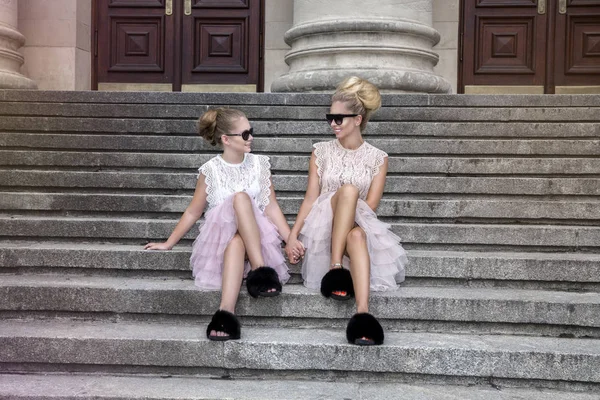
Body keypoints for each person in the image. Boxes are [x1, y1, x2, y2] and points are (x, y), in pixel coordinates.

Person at [145, 108, 291, 342]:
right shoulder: (210, 170)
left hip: (257, 239)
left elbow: (270, 206)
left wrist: (290, 238)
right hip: (221, 243)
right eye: (245, 134)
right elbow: (194, 211)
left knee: (241, 216)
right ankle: (255, 277)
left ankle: (226, 313)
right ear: (226, 139)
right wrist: (169, 243)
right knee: (239, 208)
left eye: (251, 132)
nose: (251, 137)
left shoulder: (260, 164)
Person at [285, 76, 408, 346]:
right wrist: (292, 236)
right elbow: (310, 198)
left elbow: (371, 206)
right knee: (350, 189)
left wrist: (349, 208)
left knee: (358, 237)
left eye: (339, 118)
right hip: (322, 223)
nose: (333, 123)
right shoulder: (321, 151)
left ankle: (363, 315)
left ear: (358, 119)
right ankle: (335, 267)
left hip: (356, 221)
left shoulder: (378, 157)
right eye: (330, 117)